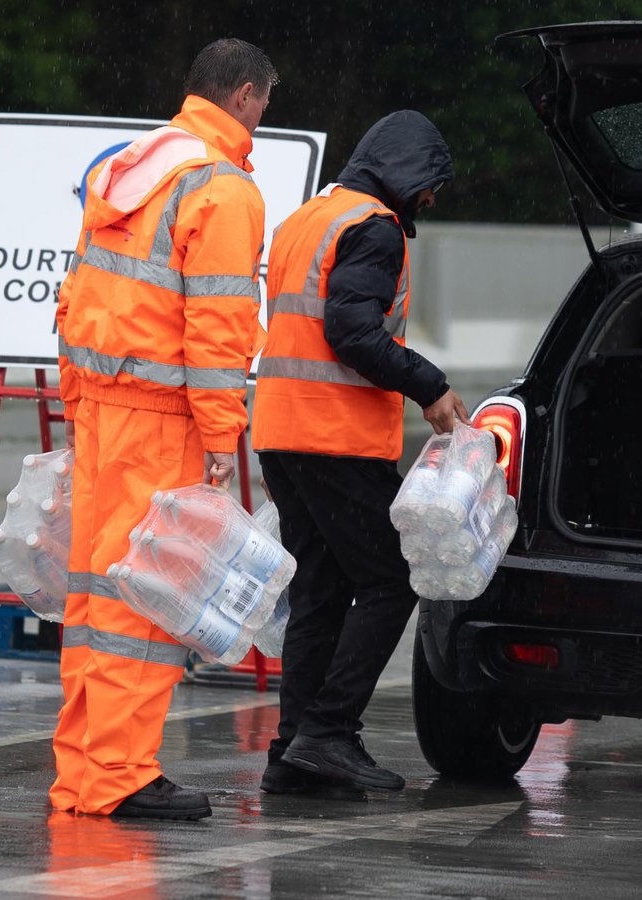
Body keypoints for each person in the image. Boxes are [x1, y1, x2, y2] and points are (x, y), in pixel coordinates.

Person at [52, 38, 276, 820]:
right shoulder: (222, 188)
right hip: (160, 418)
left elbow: (77, 291)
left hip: (105, 409)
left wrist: (80, 398)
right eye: (265, 103)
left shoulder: (133, 164)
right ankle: (120, 776)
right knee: (145, 597)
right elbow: (215, 329)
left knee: (92, 596)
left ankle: (82, 774)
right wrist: (223, 441)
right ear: (245, 96)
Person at [251, 111, 467, 798]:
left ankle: (293, 751)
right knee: (393, 577)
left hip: (282, 430)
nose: (430, 199)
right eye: (430, 183)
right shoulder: (374, 227)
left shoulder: (309, 217)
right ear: (405, 170)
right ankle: (330, 730)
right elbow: (350, 329)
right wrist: (427, 385)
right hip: (333, 434)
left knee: (320, 587)